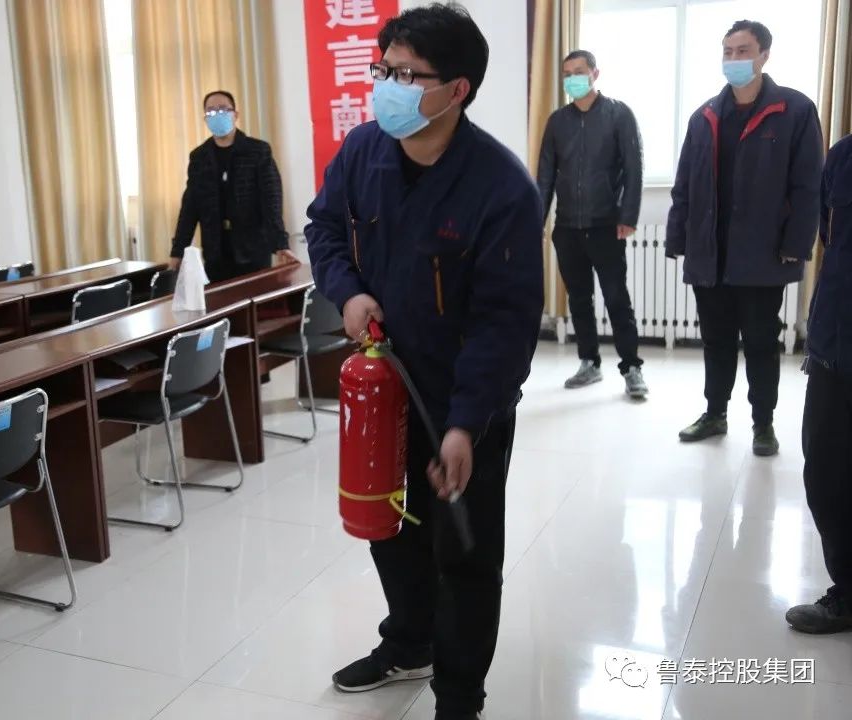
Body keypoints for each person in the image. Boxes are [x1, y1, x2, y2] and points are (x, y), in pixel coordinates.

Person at [305, 5, 544, 719]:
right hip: (384, 389)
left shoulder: (501, 188)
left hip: (461, 402)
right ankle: (410, 641)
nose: (388, 86)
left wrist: (465, 425)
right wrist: (348, 292)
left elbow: (504, 324)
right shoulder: (364, 151)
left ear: (457, 89)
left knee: (464, 553)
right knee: (389, 527)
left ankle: (460, 697)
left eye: (407, 75)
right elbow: (324, 227)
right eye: (383, 70)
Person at [666, 20, 823, 456]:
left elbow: (808, 186)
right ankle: (714, 413)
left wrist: (795, 246)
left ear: (764, 55)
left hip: (762, 255)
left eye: (743, 51)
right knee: (715, 341)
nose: (734, 59)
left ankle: (763, 424)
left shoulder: (794, 110)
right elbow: (684, 184)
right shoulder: (704, 116)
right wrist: (678, 237)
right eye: (728, 51)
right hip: (710, 255)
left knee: (760, 343)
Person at [537, 50, 647, 398]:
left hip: (606, 225)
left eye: (579, 71)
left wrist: (628, 216)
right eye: (567, 73)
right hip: (568, 227)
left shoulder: (618, 114)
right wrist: (537, 222)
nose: (573, 78)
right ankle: (589, 363)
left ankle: (631, 368)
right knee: (579, 299)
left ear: (595, 74)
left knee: (617, 298)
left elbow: (634, 168)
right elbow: (545, 175)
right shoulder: (558, 121)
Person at [786, 134, 852, 634]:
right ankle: (847, 591)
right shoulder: (844, 156)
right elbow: (831, 238)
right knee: (826, 474)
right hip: (836, 341)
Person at [169, 90, 296, 282]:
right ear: (205, 119)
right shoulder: (199, 157)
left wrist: (281, 244)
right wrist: (178, 251)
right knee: (220, 298)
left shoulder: (258, 151)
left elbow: (272, 202)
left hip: (252, 250)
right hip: (215, 252)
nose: (217, 115)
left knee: (256, 298)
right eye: (211, 111)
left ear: (235, 115)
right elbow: (189, 208)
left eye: (223, 109)